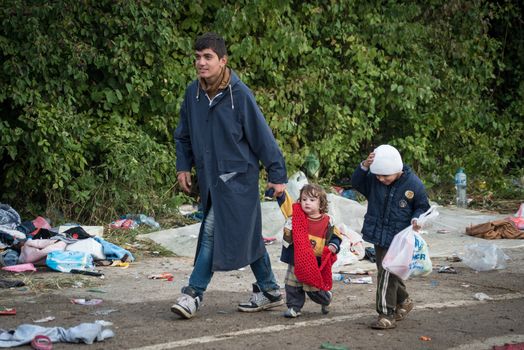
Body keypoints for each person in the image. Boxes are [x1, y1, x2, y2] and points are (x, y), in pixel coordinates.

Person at [171, 32, 288, 319]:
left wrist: (277, 174)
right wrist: (183, 166)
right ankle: (270, 290)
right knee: (247, 235)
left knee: (212, 232)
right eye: (197, 57)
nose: (201, 63)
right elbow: (183, 136)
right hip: (210, 180)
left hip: (238, 181)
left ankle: (193, 294)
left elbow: (263, 138)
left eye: (208, 57)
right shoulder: (192, 93)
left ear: (223, 61)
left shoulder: (240, 95)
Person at [351, 144, 430, 329]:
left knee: (387, 273)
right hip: (379, 235)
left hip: (400, 237)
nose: (381, 179)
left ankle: (386, 314)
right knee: (389, 272)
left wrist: (416, 218)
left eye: (385, 176)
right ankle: (404, 300)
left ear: (398, 170)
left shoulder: (413, 184)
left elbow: (422, 206)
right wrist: (364, 166)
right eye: (378, 175)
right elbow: (356, 182)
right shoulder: (373, 180)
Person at [278, 184, 342, 318]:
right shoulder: (296, 215)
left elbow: (336, 236)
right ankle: (294, 307)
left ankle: (326, 298)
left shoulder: (327, 221)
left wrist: (333, 246)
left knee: (314, 290)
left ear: (321, 203)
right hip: (296, 259)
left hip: (314, 261)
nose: (307, 203)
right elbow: (286, 204)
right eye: (304, 199)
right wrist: (280, 193)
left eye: (312, 200)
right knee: (292, 285)